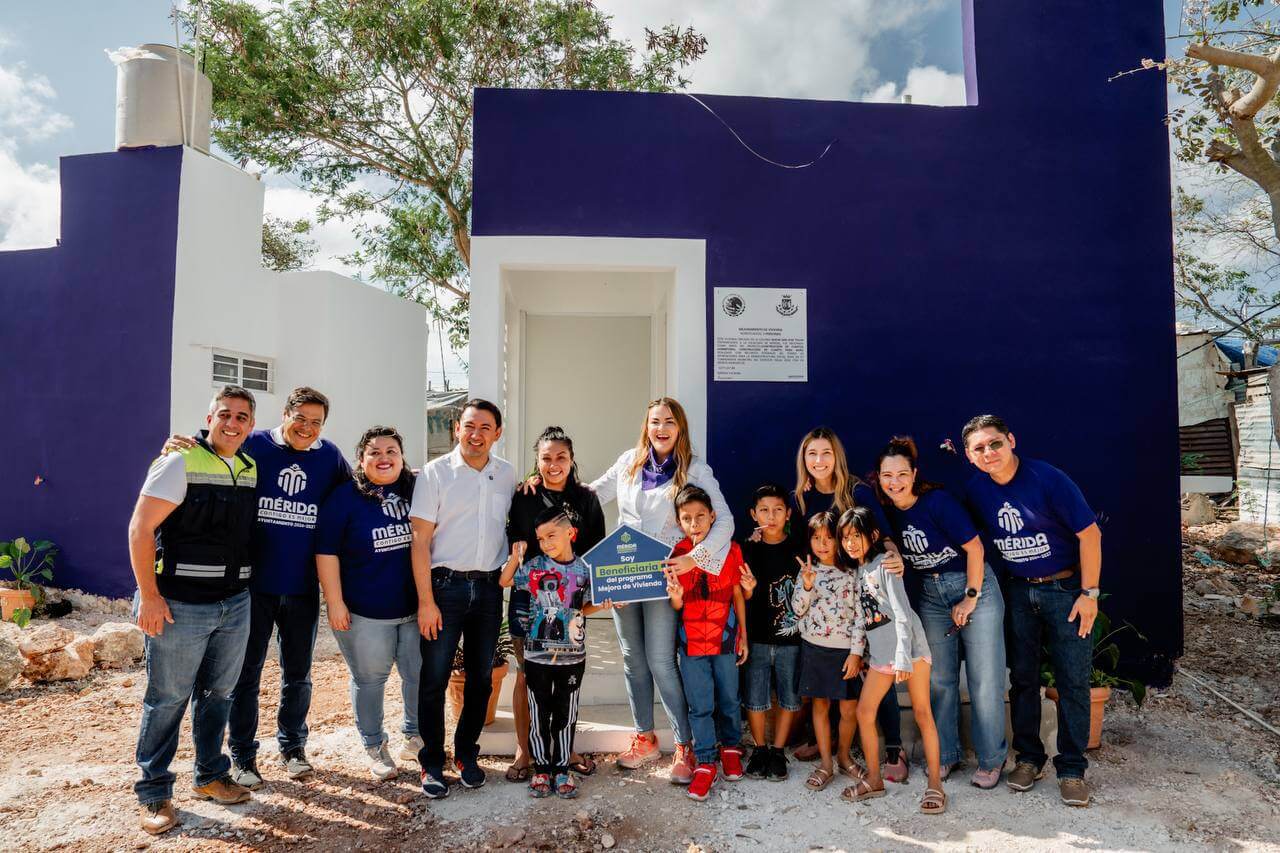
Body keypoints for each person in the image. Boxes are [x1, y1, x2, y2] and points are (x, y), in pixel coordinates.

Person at [161, 387, 352, 788]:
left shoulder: (329, 456)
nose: (307, 428)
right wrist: (180, 444)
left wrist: (408, 480)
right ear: (284, 413)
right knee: (245, 676)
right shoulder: (254, 443)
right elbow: (215, 445)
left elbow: (358, 491)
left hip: (301, 586)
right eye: (300, 417)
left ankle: (293, 747)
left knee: (298, 674)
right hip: (252, 586)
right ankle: (244, 756)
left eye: (316, 422)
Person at [580, 397, 735, 783]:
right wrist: (548, 482)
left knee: (661, 660)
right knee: (633, 659)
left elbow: (725, 521)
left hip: (664, 576)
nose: (661, 428)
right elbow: (589, 496)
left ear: (680, 427)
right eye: (654, 421)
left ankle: (684, 745)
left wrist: (694, 559)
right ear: (645, 426)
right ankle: (644, 737)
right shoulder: (628, 461)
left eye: (669, 421)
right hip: (623, 573)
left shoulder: (694, 469)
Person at [127, 386, 259, 835]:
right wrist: (149, 595)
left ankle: (210, 776)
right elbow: (140, 529)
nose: (233, 423)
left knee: (218, 695)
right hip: (180, 605)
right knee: (167, 700)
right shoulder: (179, 461)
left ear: (251, 426)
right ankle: (154, 794)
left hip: (235, 603)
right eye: (225, 414)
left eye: (242, 417)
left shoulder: (248, 465)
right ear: (209, 417)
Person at [961, 414, 1101, 808]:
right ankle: (1028, 759)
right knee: (1022, 679)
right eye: (979, 449)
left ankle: (1071, 769)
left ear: (1011, 440)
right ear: (970, 458)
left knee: (1073, 682)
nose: (989, 453)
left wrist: (1089, 593)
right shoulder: (977, 491)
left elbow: (1090, 533)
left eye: (994, 444)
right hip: (1019, 593)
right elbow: (966, 538)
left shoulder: (1048, 479)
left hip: (1065, 589)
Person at [876, 437, 1008, 789]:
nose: (895, 482)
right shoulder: (886, 512)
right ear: (879, 477)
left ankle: (992, 760)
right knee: (939, 679)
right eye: (887, 475)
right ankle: (945, 755)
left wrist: (970, 598)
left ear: (914, 474)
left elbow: (976, 549)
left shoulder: (937, 503)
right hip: (932, 596)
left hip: (974, 586)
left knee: (985, 679)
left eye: (902, 474)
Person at [410, 399, 517, 798]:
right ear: (457, 427)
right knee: (434, 679)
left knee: (481, 681)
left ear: (497, 433)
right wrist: (426, 601)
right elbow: (420, 540)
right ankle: (432, 762)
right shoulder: (436, 473)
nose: (476, 434)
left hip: (489, 590)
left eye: (485, 427)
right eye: (469, 425)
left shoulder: (506, 475)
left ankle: (466, 754)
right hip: (444, 588)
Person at [788, 428, 906, 781]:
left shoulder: (855, 491)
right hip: (825, 601)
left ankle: (893, 748)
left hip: (864, 592)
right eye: (812, 454)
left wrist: (894, 557)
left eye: (826, 453)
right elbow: (803, 546)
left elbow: (881, 535)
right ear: (804, 459)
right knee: (825, 680)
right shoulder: (802, 498)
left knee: (875, 672)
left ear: (836, 456)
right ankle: (825, 744)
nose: (819, 461)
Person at [315, 426, 421, 780]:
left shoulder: (416, 489)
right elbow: (326, 552)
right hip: (365, 611)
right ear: (361, 460)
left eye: (391, 450)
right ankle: (375, 745)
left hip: (414, 608)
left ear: (402, 457)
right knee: (371, 679)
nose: (384, 458)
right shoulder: (344, 497)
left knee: (417, 675)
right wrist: (335, 602)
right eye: (374, 452)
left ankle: (415, 737)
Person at [504, 426, 606, 784]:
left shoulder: (587, 499)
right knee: (526, 674)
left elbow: (597, 553)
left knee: (565, 679)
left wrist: (597, 597)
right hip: (527, 603)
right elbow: (514, 545)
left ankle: (564, 750)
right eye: (546, 458)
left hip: (568, 603)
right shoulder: (524, 496)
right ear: (537, 460)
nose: (553, 464)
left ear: (572, 458)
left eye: (561, 456)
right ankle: (524, 749)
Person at [499, 506, 613, 798]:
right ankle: (541, 770)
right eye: (541, 538)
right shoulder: (535, 565)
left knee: (566, 714)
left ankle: (562, 768)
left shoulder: (584, 570)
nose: (546, 543)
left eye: (552, 535)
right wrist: (515, 556)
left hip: (573, 657)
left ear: (570, 533)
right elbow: (505, 581)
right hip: (537, 656)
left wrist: (603, 605)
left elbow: (584, 607)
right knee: (539, 714)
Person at [839, 507, 946, 815]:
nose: (850, 543)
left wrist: (903, 658)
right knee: (864, 712)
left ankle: (935, 785)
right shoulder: (859, 571)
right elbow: (863, 617)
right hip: (882, 655)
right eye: (845, 538)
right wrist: (858, 653)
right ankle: (874, 779)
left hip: (908, 650)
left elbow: (901, 612)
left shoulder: (884, 564)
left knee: (923, 713)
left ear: (872, 536)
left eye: (856, 536)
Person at [665, 485, 750, 801]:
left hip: (725, 639)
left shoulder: (731, 550)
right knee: (699, 704)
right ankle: (705, 760)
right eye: (687, 518)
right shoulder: (677, 555)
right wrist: (675, 598)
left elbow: (739, 595)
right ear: (679, 522)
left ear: (714, 517)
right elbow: (678, 604)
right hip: (691, 645)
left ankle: (730, 747)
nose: (695, 523)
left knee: (729, 698)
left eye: (701, 516)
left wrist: (745, 637)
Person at [790, 511, 862, 792]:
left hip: (845, 651)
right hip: (815, 648)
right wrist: (807, 585)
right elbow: (797, 609)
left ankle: (844, 756)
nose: (822, 544)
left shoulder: (852, 572)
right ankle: (826, 764)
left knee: (848, 708)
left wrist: (856, 653)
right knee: (819, 706)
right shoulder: (807, 570)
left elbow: (860, 617)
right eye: (816, 538)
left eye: (829, 538)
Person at [739, 482, 804, 781]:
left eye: (778, 509)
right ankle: (760, 749)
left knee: (789, 695)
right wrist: (749, 591)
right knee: (755, 696)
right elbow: (740, 597)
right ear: (753, 514)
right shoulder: (747, 550)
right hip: (757, 637)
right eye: (764, 510)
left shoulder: (799, 549)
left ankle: (778, 751)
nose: (771, 516)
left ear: (788, 513)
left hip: (792, 638)